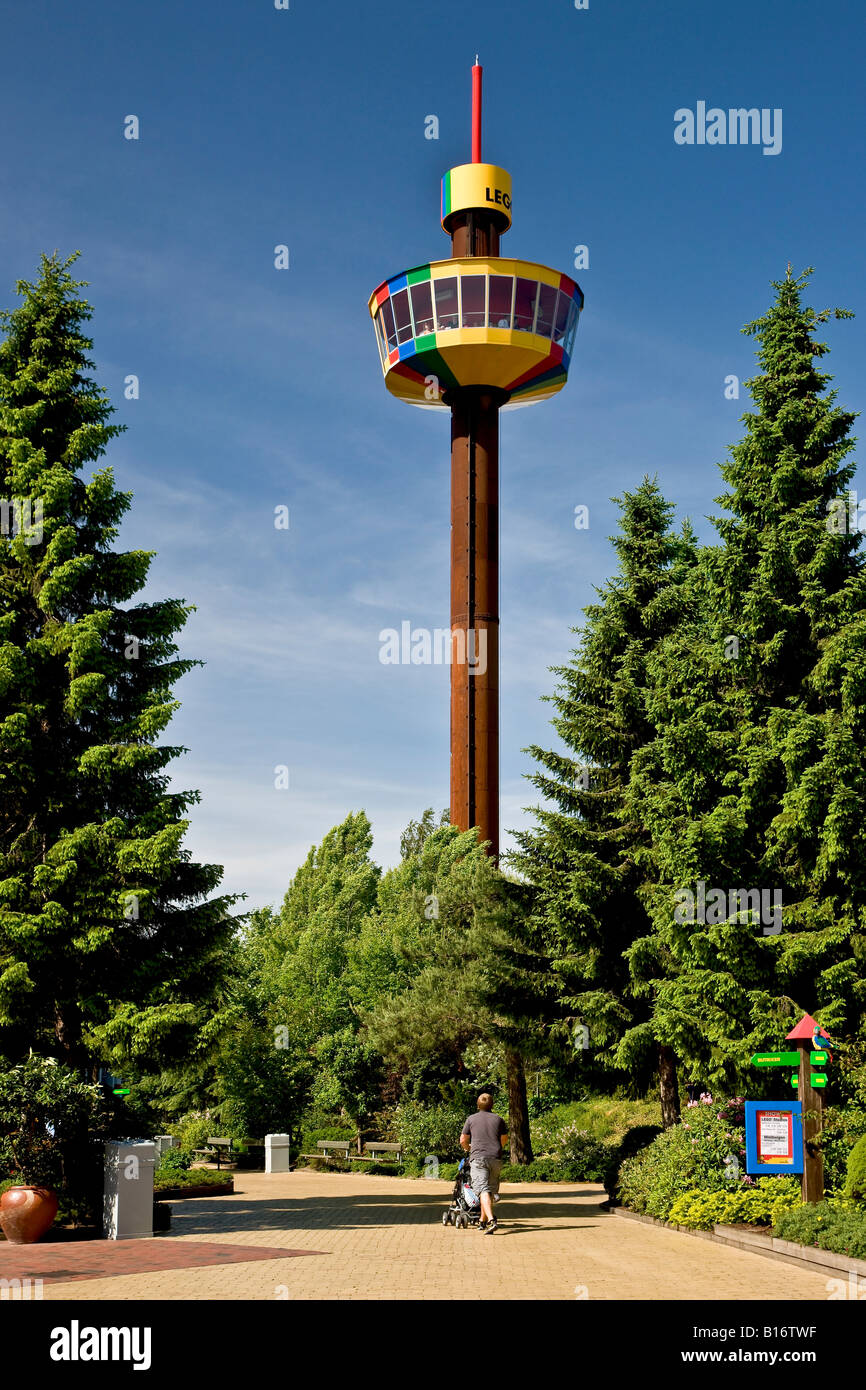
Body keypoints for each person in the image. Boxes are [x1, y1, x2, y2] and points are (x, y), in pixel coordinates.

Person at [460, 1090, 507, 1233]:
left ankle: (492, 1220)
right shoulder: (499, 1119)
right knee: (489, 1191)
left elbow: (463, 1139)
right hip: (495, 1158)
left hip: (479, 1158)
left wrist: (468, 1148)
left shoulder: (471, 1119)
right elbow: (504, 1139)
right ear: (492, 1105)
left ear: (477, 1105)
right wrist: (496, 1148)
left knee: (482, 1190)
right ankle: (482, 1220)